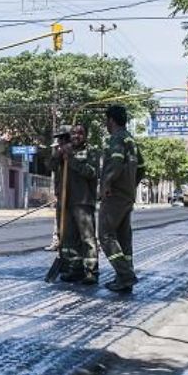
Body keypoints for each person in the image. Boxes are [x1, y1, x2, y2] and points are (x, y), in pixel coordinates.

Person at [98, 105, 144, 293]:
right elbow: (141, 167)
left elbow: (115, 164)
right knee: (123, 238)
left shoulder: (116, 139)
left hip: (114, 195)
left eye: (106, 120)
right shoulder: (130, 139)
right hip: (127, 195)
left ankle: (125, 275)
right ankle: (124, 278)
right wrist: (131, 185)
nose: (106, 124)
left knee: (106, 235)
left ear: (110, 120)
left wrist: (107, 185)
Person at [58, 125, 100, 284]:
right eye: (73, 133)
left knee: (87, 238)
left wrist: (72, 159)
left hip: (83, 201)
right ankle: (74, 269)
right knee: (69, 238)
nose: (76, 136)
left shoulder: (92, 152)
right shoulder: (65, 151)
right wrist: (59, 153)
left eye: (80, 133)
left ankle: (91, 271)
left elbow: (91, 172)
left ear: (86, 136)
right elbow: (50, 165)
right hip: (67, 201)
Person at [45, 126, 72, 252]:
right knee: (59, 222)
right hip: (61, 194)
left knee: (78, 224)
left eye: (62, 139)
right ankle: (58, 243)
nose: (60, 142)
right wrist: (58, 154)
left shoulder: (78, 152)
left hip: (76, 196)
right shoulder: (59, 154)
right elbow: (51, 166)